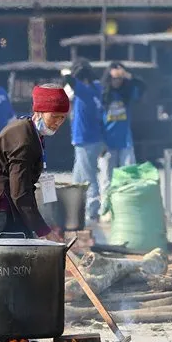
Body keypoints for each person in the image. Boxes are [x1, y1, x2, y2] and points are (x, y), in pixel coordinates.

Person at [0, 84, 70, 239]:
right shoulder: (23, 138)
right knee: (11, 255)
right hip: (3, 211)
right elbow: (20, 193)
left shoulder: (31, 131)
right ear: (39, 112)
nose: (58, 122)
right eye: (54, 116)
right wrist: (44, 231)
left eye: (62, 117)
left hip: (14, 210)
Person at [63, 59, 105, 222]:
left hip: (85, 139)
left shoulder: (84, 91)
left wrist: (68, 73)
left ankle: (92, 211)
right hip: (94, 139)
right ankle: (76, 210)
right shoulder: (97, 88)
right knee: (78, 178)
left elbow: (69, 80)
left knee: (89, 176)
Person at [101, 62, 145, 179]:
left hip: (125, 142)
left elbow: (142, 86)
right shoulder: (103, 94)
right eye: (115, 78)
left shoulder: (128, 93)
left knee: (130, 175)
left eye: (120, 78)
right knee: (107, 178)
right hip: (107, 142)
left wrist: (129, 75)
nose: (117, 81)